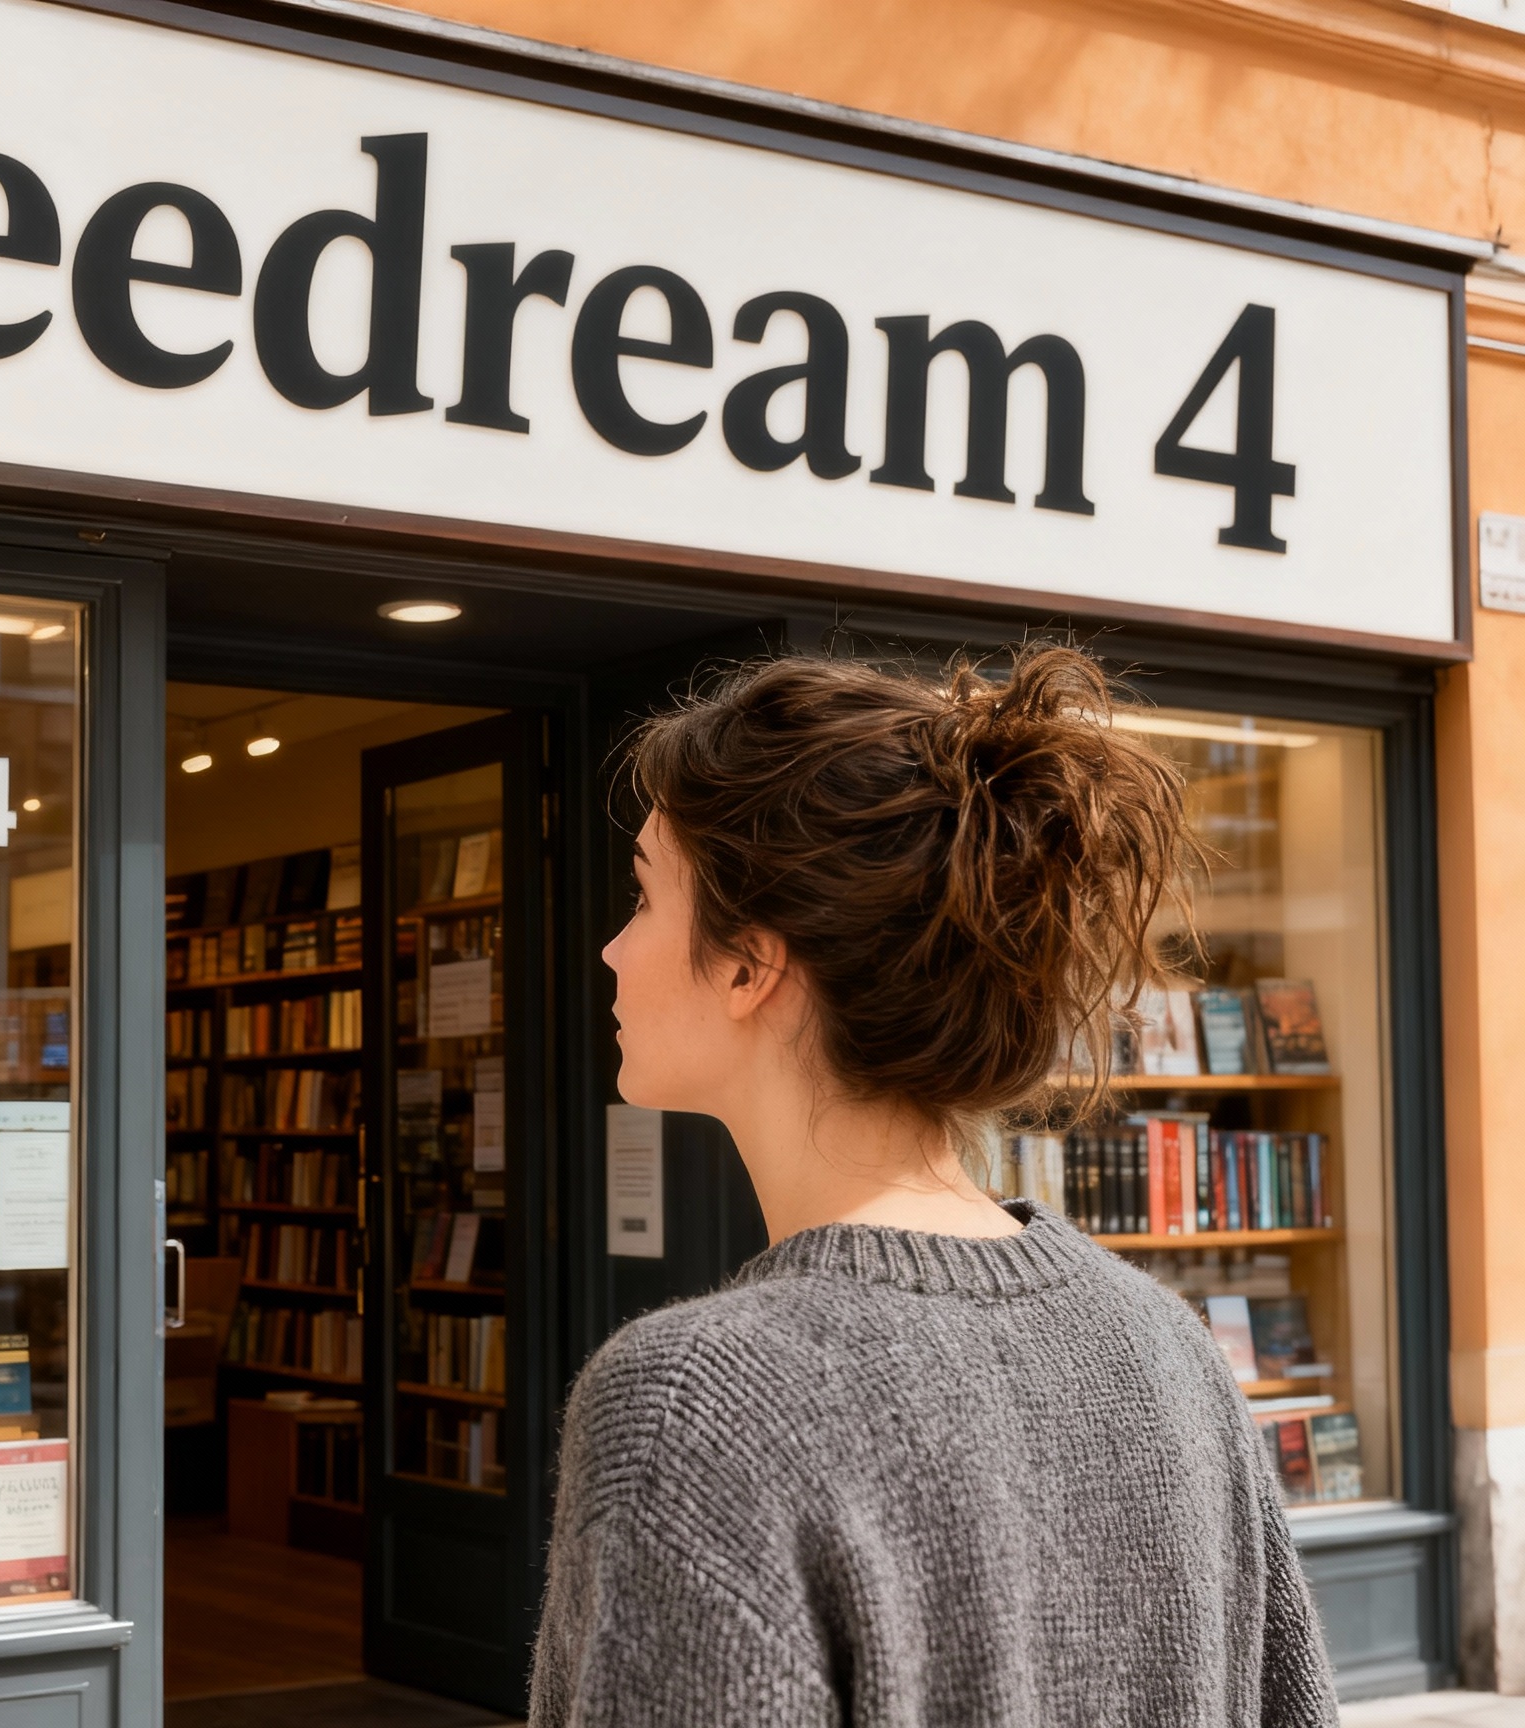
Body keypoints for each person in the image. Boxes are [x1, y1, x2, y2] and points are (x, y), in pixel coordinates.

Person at [530, 645, 1336, 1726]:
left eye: (641, 894)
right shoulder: (1166, 1346)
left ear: (747, 965)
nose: (611, 950)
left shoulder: (696, 1406)